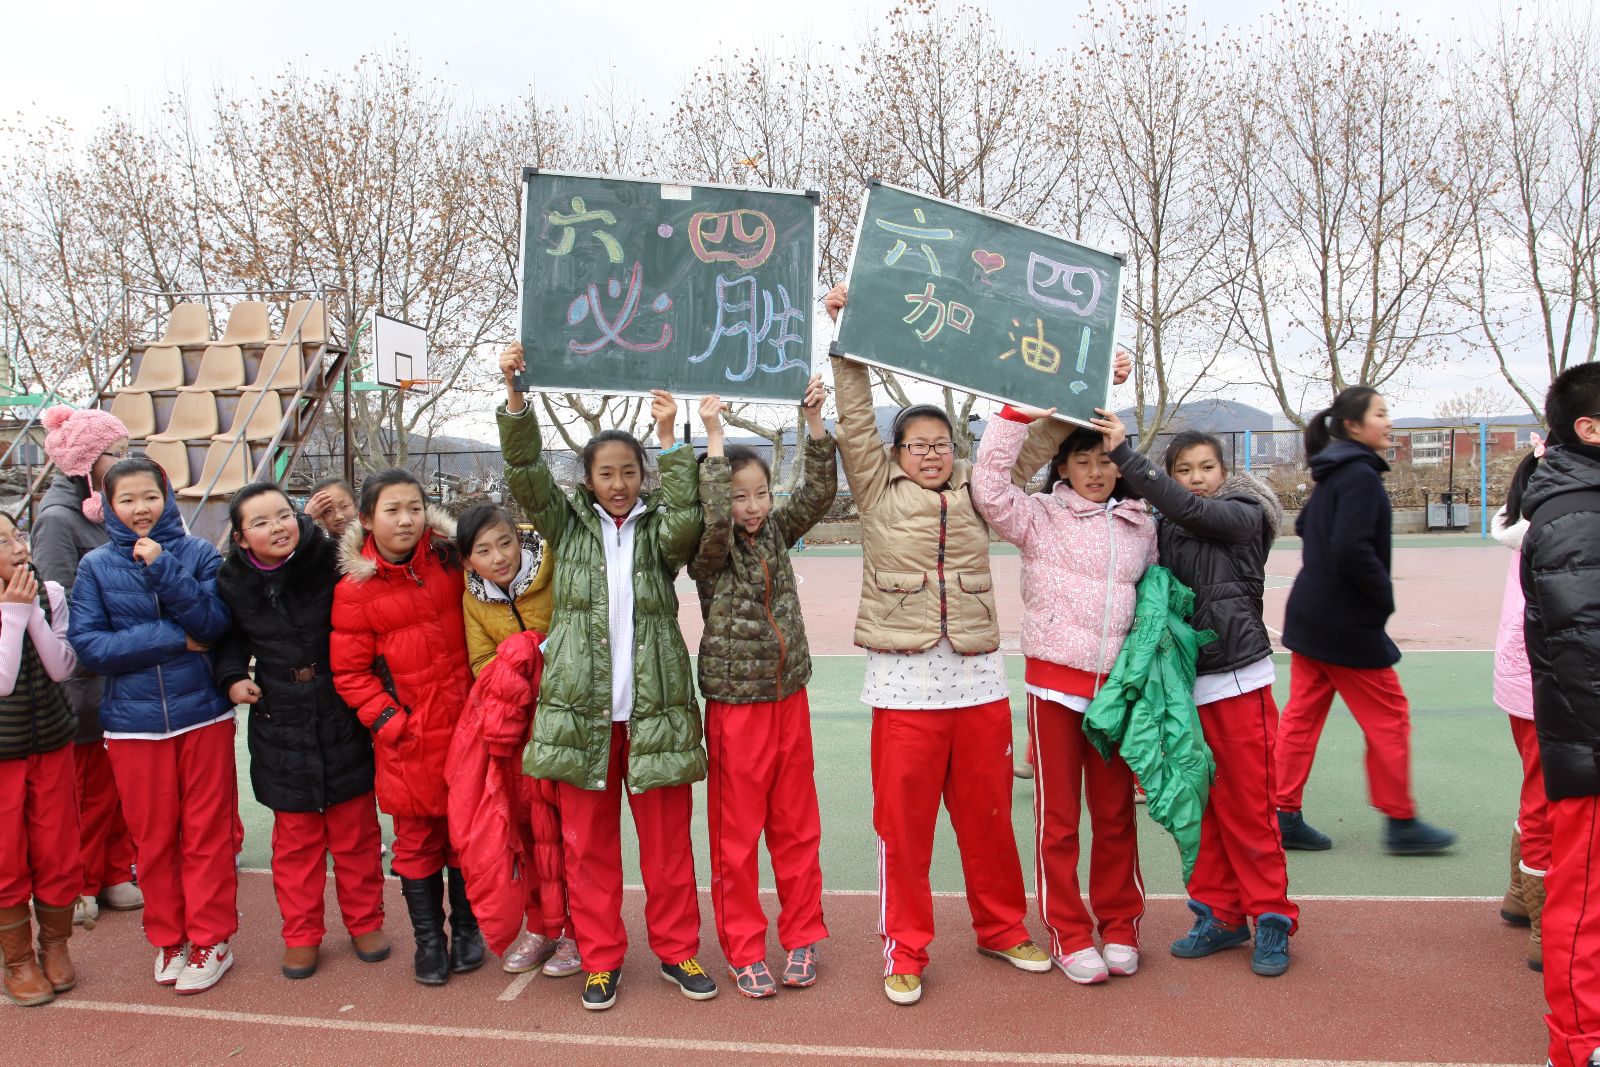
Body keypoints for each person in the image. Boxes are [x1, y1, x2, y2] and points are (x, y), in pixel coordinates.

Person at [824, 285, 1049, 1006]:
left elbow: (1035, 443)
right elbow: (854, 418)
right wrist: (847, 337)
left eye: (941, 444)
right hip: (904, 689)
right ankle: (905, 948)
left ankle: (1002, 928)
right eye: (918, 445)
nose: (931, 454)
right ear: (896, 453)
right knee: (904, 828)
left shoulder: (983, 489)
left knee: (989, 820)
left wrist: (1079, 389)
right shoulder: (876, 487)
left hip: (979, 683)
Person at [497, 342, 712, 1011]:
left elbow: (687, 522)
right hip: (579, 712)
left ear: (643, 475)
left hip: (655, 711)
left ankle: (677, 950)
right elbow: (525, 470)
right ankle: (600, 958)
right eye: (606, 473)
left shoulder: (658, 532)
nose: (618, 483)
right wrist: (515, 397)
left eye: (629, 472)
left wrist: (671, 439)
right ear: (587, 479)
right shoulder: (566, 525)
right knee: (587, 847)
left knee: (667, 847)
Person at [1094, 416, 1298, 977]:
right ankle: (1220, 914)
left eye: (1207, 467)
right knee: (1198, 804)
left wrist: (1127, 454)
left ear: (1225, 472)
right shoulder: (1164, 525)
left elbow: (1193, 511)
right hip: (1181, 689)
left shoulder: (1245, 514)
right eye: (1183, 470)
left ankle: (1272, 917)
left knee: (1249, 809)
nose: (1196, 478)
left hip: (1237, 681)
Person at [970, 400, 1155, 985]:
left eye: (1106, 459)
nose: (1096, 471)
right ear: (1063, 467)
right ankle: (1069, 933)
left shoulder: (1142, 524)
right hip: (1054, 686)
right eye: (1082, 460)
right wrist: (1012, 418)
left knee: (1116, 813)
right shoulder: (1038, 515)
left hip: (1116, 694)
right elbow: (988, 489)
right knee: (1059, 818)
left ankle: (1120, 925)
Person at [67, 457, 238, 995]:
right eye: (127, 499)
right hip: (132, 727)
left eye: (150, 496)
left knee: (207, 835)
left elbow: (214, 624)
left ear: (166, 497)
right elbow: (90, 648)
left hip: (203, 715)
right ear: (108, 506)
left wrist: (164, 567)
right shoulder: (95, 566)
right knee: (153, 840)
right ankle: (170, 938)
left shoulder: (198, 552)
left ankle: (212, 938)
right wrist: (172, 639)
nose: (140, 508)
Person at [689, 379, 835, 998]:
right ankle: (744, 948)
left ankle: (802, 935)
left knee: (798, 825)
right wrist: (714, 437)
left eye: (761, 493)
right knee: (736, 837)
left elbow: (818, 492)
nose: (752, 506)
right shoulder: (709, 550)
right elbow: (713, 520)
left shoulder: (775, 530)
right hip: (736, 707)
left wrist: (815, 422)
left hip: (788, 697)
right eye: (738, 496)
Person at [213, 482, 389, 980]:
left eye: (283, 515)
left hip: (338, 706)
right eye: (261, 522)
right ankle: (302, 934)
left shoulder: (328, 557)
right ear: (241, 538)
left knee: (356, 831)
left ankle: (365, 922)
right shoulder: (232, 581)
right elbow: (227, 640)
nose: (277, 527)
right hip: (280, 717)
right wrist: (232, 677)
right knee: (296, 842)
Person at [1272, 387, 1456, 855]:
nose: (1389, 421)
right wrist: (1381, 597)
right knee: (1389, 716)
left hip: (1312, 615)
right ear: (1354, 425)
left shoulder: (1333, 473)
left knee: (1301, 717)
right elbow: (1352, 548)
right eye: (1381, 414)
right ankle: (1401, 822)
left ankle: (1282, 812)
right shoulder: (1358, 476)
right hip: (1344, 623)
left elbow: (1307, 527)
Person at [330, 469, 481, 986]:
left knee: (463, 836)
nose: (406, 520)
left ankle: (467, 930)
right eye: (392, 510)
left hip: (465, 728)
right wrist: (392, 722)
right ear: (367, 519)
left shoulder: (451, 560)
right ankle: (429, 941)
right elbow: (350, 674)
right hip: (409, 739)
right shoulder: (355, 589)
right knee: (416, 843)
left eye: (414, 508)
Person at [455, 502, 579, 978]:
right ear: (468, 561)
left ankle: (578, 931)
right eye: (484, 551)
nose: (499, 557)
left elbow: (577, 632)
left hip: (568, 719)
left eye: (505, 543)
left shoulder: (553, 569)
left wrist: (535, 653)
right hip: (517, 729)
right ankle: (542, 925)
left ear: (519, 537)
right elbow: (481, 663)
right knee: (528, 833)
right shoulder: (474, 598)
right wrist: (517, 661)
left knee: (572, 832)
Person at [31, 406, 142, 925]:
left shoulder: (105, 508)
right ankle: (78, 882)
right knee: (82, 789)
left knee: (114, 785)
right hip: (84, 675)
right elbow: (59, 602)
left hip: (118, 668)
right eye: (118, 452)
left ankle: (114, 871)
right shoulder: (57, 519)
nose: (127, 459)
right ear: (89, 459)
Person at [1519, 361, 1600, 1067]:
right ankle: (1579, 1044)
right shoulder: (1576, 515)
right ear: (1590, 428)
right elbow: (1582, 648)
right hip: (1590, 746)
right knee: (1585, 905)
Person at [0, 513, 83, 1005]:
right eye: (2, 542)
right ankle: (17, 960)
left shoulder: (49, 593)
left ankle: (55, 945)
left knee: (57, 851)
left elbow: (60, 667)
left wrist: (31, 611)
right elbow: (2, 682)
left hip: (51, 744)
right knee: (6, 858)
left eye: (16, 535)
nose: (17, 547)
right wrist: (12, 614)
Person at [1491, 444, 1548, 973]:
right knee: (1550, 798)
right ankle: (1547, 929)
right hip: (1551, 678)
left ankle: (1520, 896)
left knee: (1538, 788)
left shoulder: (1530, 523)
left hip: (1524, 674)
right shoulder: (1559, 528)